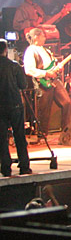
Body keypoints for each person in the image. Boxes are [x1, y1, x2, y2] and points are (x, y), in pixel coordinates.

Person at [23, 27, 71, 143]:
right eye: (43, 36)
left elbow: (52, 65)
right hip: (42, 82)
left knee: (66, 102)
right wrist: (46, 73)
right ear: (36, 37)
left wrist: (58, 69)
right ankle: (42, 136)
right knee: (44, 109)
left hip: (54, 80)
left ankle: (66, 132)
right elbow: (29, 70)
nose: (45, 38)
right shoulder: (31, 51)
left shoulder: (46, 50)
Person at [0, 39, 30, 176]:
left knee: (2, 138)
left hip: (0, 106)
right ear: (6, 50)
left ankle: (5, 167)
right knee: (19, 135)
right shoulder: (14, 65)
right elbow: (23, 85)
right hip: (15, 104)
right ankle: (24, 166)